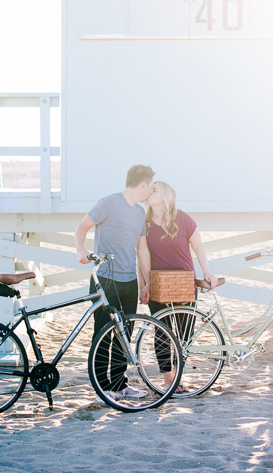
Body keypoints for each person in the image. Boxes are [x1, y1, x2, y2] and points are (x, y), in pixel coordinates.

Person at [73, 164, 156, 400]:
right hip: (105, 280)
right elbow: (82, 227)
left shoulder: (140, 213)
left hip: (129, 281)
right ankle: (102, 389)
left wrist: (145, 282)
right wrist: (81, 250)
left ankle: (119, 386)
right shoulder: (108, 203)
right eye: (150, 186)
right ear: (142, 184)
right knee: (102, 334)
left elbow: (142, 249)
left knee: (124, 334)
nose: (150, 190)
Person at [141, 179, 216, 392]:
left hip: (184, 284)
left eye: (153, 190)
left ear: (166, 197)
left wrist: (207, 273)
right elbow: (141, 257)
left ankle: (178, 376)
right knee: (162, 332)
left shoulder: (183, 219)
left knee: (184, 335)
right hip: (158, 284)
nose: (148, 192)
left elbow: (199, 248)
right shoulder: (144, 223)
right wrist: (143, 285)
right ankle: (168, 379)